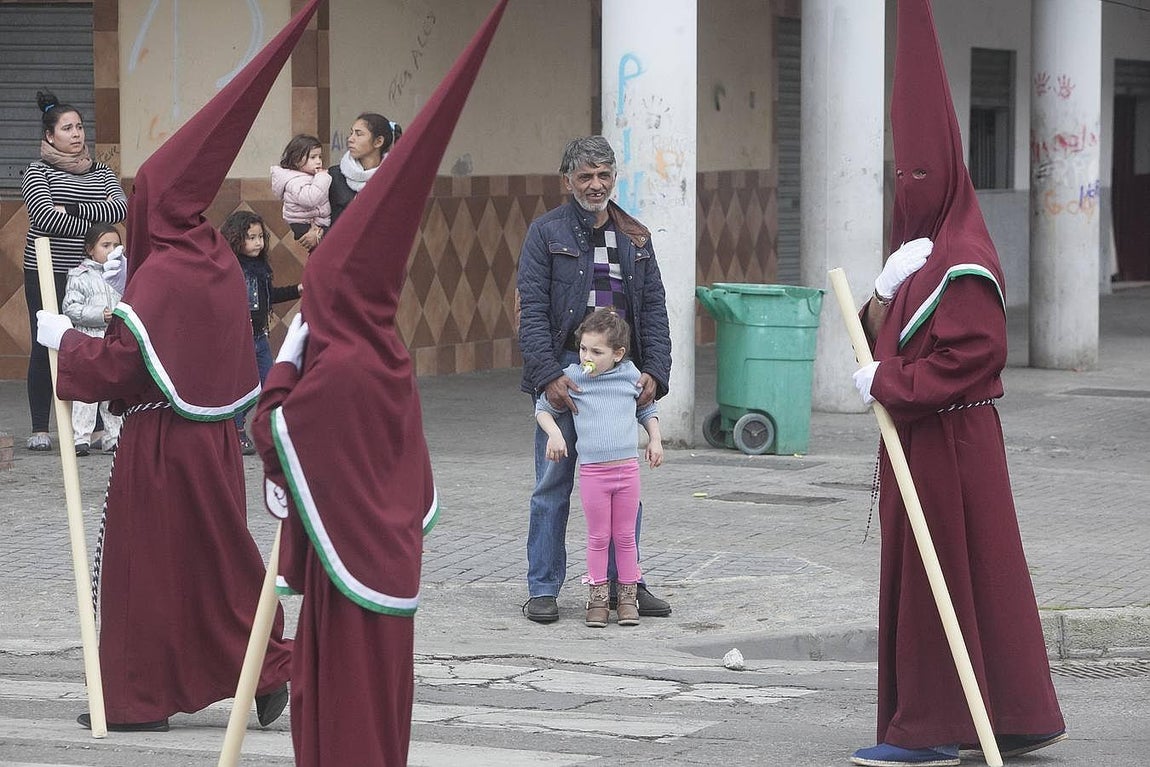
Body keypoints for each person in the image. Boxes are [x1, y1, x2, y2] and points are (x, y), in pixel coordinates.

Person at [34, 0, 322, 731]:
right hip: (213, 442)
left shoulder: (162, 273)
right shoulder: (216, 260)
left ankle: (138, 695)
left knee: (151, 572)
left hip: (163, 445)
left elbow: (123, 367)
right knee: (219, 563)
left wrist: (63, 340)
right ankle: (265, 665)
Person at [250, 3, 509, 762]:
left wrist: (289, 358)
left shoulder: (346, 364)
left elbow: (277, 430)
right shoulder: (382, 349)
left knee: (351, 715)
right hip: (368, 565)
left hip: (353, 578)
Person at [847, 1, 1066, 765]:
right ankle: (1006, 712)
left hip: (957, 439)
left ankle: (935, 726)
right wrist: (880, 294)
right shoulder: (916, 248)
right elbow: (894, 331)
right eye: (898, 171)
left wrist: (888, 379)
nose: (907, 184)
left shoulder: (966, 252)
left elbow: (969, 357)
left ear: (944, 175)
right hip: (925, 439)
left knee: (960, 575)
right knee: (960, 577)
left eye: (918, 173)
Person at [516, 135, 672, 624]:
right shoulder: (545, 233)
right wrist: (547, 377)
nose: (595, 184)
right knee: (553, 484)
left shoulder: (635, 237)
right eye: (585, 175)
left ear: (613, 179)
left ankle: (628, 583)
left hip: (621, 374)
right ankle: (543, 589)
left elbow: (653, 310)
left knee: (622, 485)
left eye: (603, 175)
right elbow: (533, 311)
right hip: (566, 372)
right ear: (568, 181)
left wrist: (655, 373)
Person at [535, 308, 664, 628]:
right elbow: (543, 409)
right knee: (597, 536)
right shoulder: (573, 376)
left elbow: (647, 408)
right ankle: (597, 598)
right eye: (582, 349)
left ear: (617, 353)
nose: (586, 357)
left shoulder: (630, 375)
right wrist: (554, 435)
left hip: (628, 471)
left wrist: (655, 440)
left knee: (624, 536)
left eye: (596, 351)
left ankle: (628, 598)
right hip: (594, 473)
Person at [21, 89, 127, 452]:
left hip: (95, 273)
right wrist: (91, 217)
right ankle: (40, 426)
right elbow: (45, 216)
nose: (77, 134)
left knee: (93, 343)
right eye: (67, 128)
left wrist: (73, 210)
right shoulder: (37, 171)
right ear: (50, 135)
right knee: (46, 343)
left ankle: (95, 428)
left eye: (80, 127)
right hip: (47, 271)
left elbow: (118, 211)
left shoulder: (101, 170)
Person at [220, 211, 302, 455]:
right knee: (243, 389)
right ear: (236, 239)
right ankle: (235, 430)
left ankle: (271, 431)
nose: (258, 243)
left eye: (260, 237)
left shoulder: (261, 268)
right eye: (250, 237)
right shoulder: (229, 268)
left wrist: (298, 289)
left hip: (260, 338)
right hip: (239, 341)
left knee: (269, 386)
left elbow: (270, 297)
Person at [60, 223, 124, 455]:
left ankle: (114, 437)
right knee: (85, 393)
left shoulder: (122, 274)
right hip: (87, 340)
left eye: (116, 245)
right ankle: (80, 438)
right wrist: (99, 315)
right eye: (105, 245)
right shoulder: (79, 275)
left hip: (114, 341)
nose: (112, 250)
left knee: (113, 391)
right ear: (90, 249)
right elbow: (70, 307)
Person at [296, 112, 402, 251]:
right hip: (334, 259)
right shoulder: (334, 176)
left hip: (375, 259)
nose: (350, 139)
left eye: (359, 134)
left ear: (378, 142)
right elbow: (302, 211)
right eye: (351, 133)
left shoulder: (391, 181)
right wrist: (315, 234)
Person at [271, 133, 330, 245]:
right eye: (313, 157)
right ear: (297, 160)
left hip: (314, 220)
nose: (318, 161)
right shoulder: (294, 181)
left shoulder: (307, 176)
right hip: (303, 223)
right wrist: (322, 177)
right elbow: (310, 199)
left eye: (320, 157)